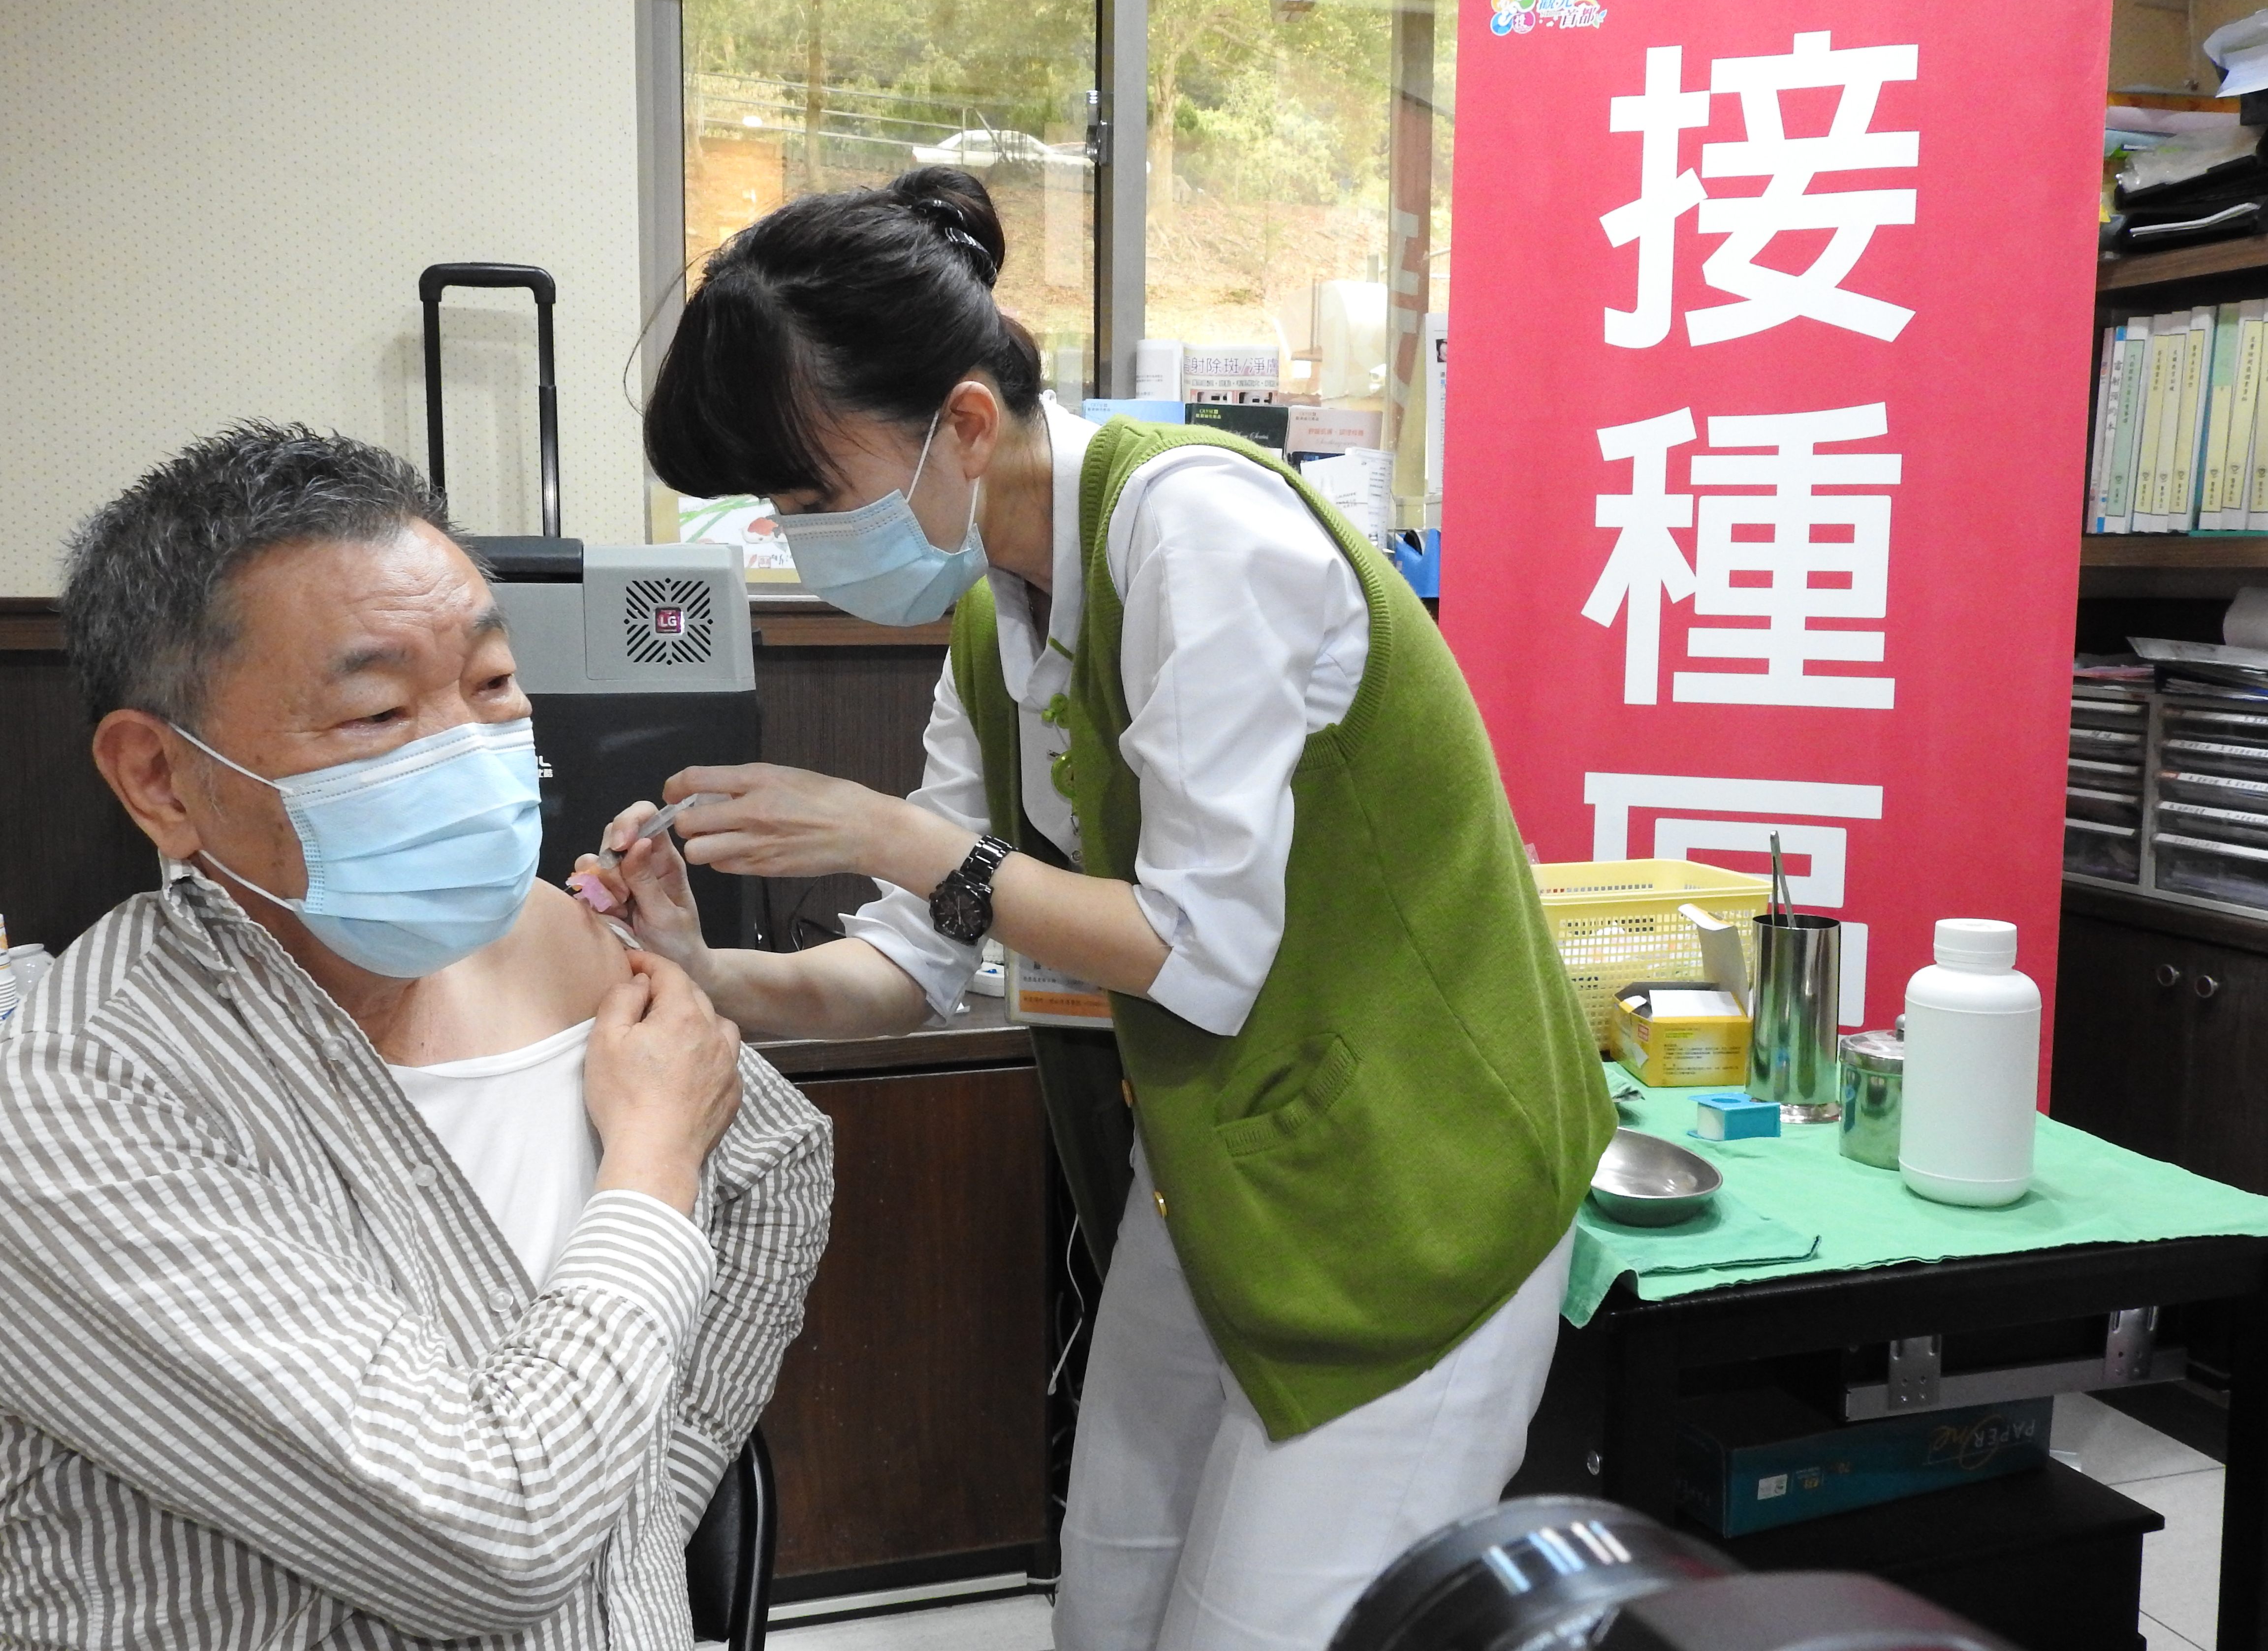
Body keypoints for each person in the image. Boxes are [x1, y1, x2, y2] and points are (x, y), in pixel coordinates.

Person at [592, 165, 1613, 1651]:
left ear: (962, 424)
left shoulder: (1199, 533)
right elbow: (913, 965)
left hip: (1416, 1175)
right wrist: (703, 975)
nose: (794, 533)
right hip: (1228, 1169)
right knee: (1113, 1600)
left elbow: (1197, 956)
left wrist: (895, 835)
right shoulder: (986, 610)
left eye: (808, 493)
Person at [0, 423, 833, 1648]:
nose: (470, 751)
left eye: (492, 687)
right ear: (162, 781)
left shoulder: (553, 937)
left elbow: (773, 1175)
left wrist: (631, 1526)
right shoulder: (78, 1106)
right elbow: (491, 1541)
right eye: (379, 712)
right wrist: (649, 1165)